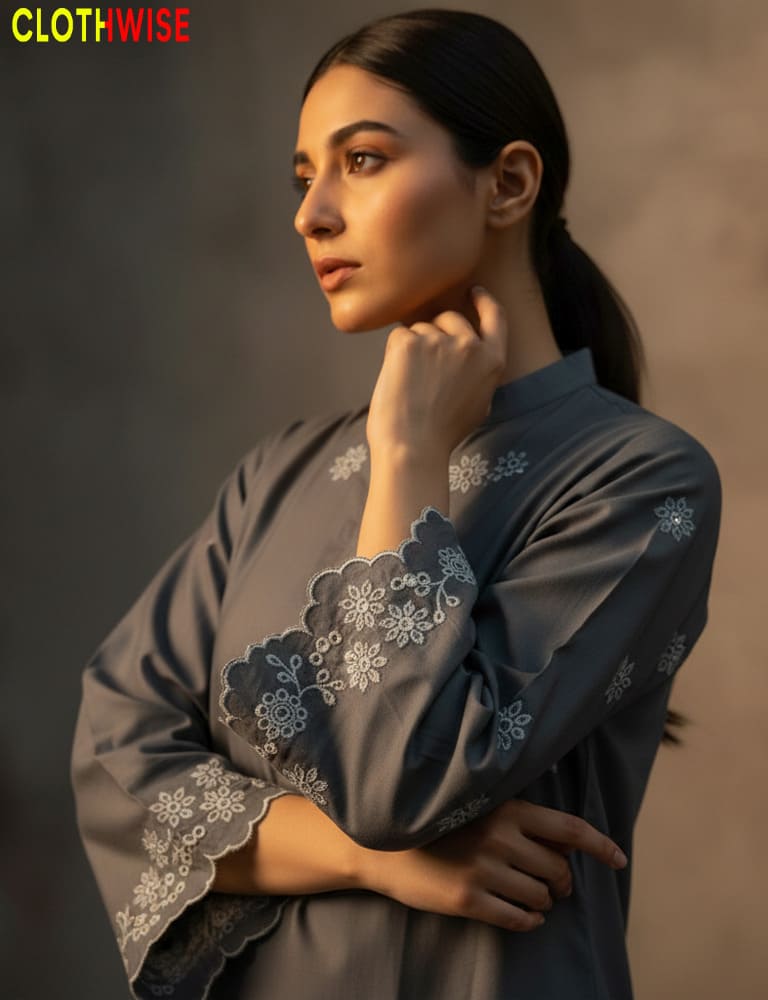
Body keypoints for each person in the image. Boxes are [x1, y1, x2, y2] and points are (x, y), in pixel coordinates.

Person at [70, 8, 722, 999]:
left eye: (362, 161)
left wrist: (409, 454)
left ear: (508, 182)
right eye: (303, 176)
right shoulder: (276, 475)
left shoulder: (641, 480)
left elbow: (403, 782)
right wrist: (365, 859)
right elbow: (118, 757)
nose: (311, 213)